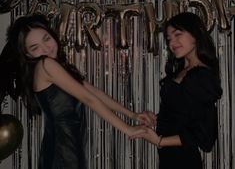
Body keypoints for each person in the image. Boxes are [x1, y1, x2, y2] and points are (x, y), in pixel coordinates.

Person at [6, 13, 156, 169]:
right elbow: (88, 99)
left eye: (46, 39)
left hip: (68, 145)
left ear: (53, 35)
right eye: (35, 47)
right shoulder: (46, 65)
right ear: (27, 54)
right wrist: (128, 129)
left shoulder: (55, 66)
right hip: (63, 150)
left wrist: (132, 115)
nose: (45, 48)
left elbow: (94, 93)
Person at [130, 12, 223, 169]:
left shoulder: (200, 76)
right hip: (170, 158)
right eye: (169, 38)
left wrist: (159, 141)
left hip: (184, 160)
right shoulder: (184, 70)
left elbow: (203, 133)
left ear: (196, 33)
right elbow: (183, 115)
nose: (172, 42)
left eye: (178, 34)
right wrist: (156, 118)